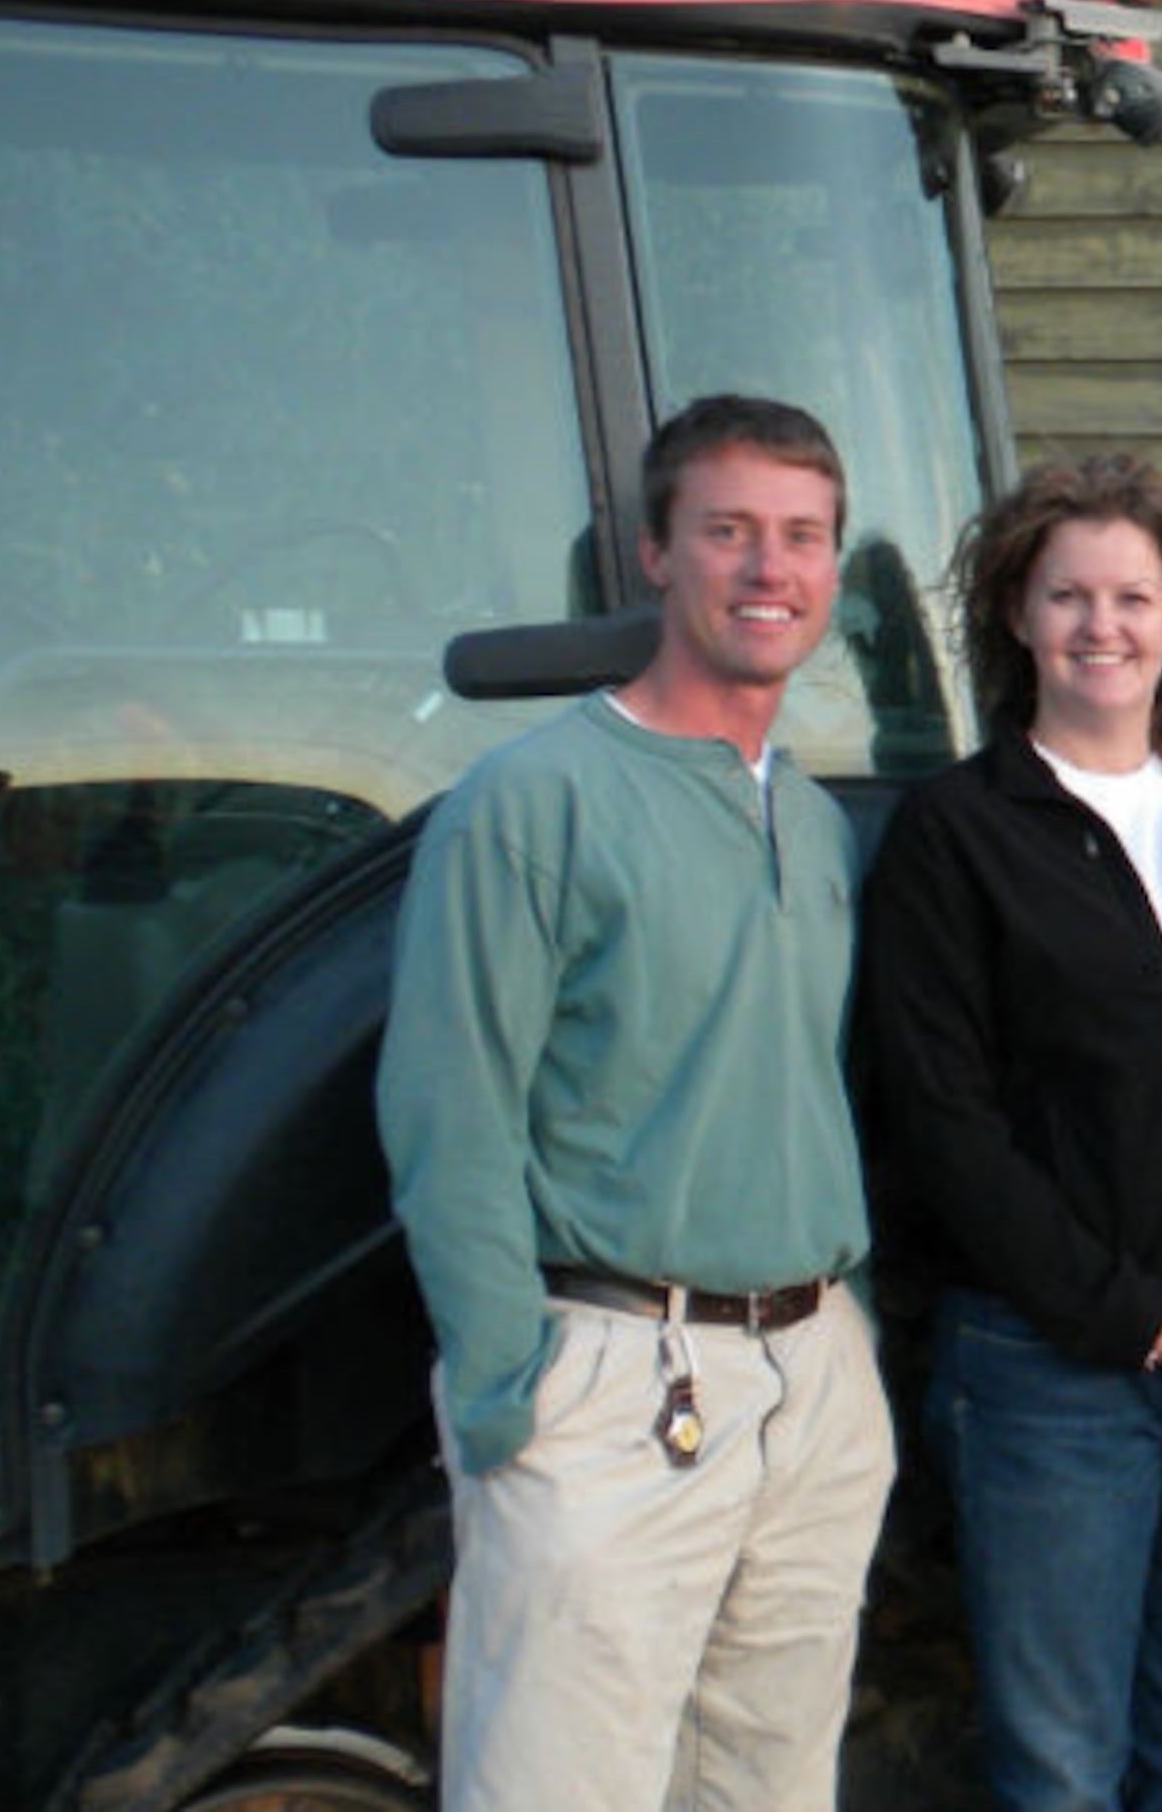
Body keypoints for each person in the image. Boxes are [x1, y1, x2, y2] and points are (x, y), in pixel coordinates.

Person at [376, 394, 894, 1812]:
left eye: (800, 538)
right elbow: (449, 1110)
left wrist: (848, 1354)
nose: (767, 569)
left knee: (766, 1790)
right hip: (609, 1371)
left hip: (811, 1380)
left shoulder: (808, 817)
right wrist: (506, 1398)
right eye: (727, 531)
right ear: (656, 554)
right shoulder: (529, 803)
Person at [851, 455, 1162, 1812]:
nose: (1103, 625)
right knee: (1061, 1767)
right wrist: (1131, 1312)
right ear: (1017, 617)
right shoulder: (957, 834)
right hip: (1051, 1372)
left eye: (1135, 596)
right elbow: (943, 1126)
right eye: (1066, 595)